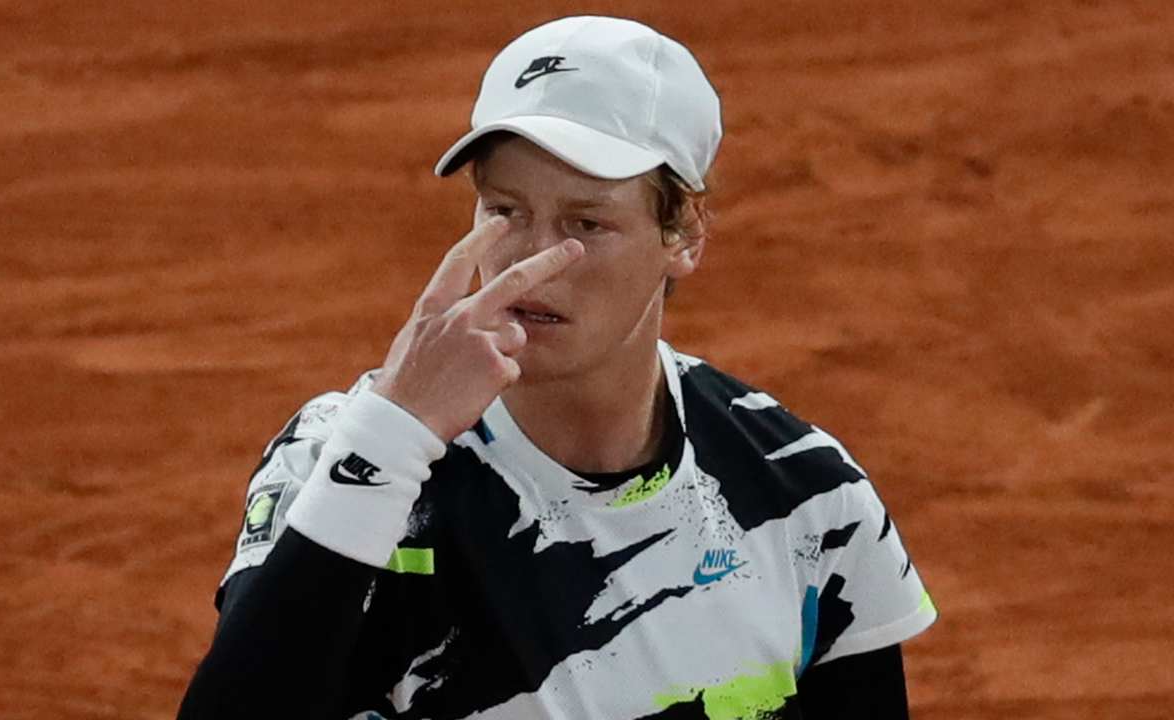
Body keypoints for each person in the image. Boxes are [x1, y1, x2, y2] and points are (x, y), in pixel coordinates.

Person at [178, 15, 936, 720]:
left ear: (684, 234)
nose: (533, 263)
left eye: (586, 222)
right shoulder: (346, 459)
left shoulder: (805, 498)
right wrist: (393, 438)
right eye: (504, 211)